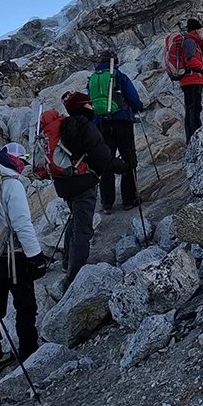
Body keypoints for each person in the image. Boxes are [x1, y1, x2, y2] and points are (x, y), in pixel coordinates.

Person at [0, 142, 48, 375]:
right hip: (12, 256)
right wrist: (36, 256)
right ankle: (29, 351)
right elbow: (22, 224)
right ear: (15, 161)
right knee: (26, 305)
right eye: (22, 163)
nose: (24, 168)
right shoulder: (11, 185)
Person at [55, 91, 126, 288]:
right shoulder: (86, 126)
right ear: (82, 107)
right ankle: (75, 277)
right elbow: (102, 155)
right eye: (88, 104)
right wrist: (121, 166)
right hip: (83, 182)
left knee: (74, 218)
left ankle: (67, 261)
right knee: (83, 229)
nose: (92, 107)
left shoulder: (63, 126)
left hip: (65, 183)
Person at [87, 54, 145, 215]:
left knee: (106, 161)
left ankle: (107, 203)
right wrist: (138, 106)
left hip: (102, 124)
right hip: (122, 121)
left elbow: (90, 100)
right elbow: (133, 97)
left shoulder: (93, 79)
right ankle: (129, 199)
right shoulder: (119, 76)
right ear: (116, 62)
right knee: (128, 157)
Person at [178, 19, 203, 141]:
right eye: (201, 29)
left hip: (189, 80)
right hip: (193, 79)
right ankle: (197, 139)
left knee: (190, 109)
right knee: (194, 109)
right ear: (196, 30)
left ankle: (190, 140)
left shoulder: (190, 41)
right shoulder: (190, 41)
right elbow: (190, 60)